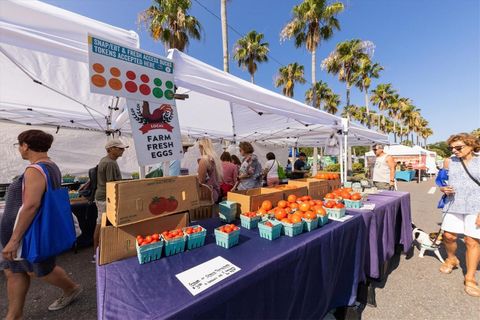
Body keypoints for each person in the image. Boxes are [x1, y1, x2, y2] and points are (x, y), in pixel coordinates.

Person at [1, 130, 82, 318]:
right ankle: (13, 315)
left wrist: (14, 240)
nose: (19, 149)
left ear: (26, 146)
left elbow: (31, 205)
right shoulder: (50, 166)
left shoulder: (35, 169)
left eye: (18, 145)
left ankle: (71, 289)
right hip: (28, 231)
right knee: (15, 270)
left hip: (28, 232)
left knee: (40, 269)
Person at [438, 133, 480, 297]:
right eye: (452, 148)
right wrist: (443, 188)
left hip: (476, 207)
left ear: (471, 145)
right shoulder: (449, 161)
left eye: (458, 147)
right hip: (453, 204)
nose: (454, 150)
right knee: (448, 236)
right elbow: (441, 180)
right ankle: (452, 258)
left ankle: (470, 278)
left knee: (471, 241)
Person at [93, 138, 128, 261]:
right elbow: (112, 184)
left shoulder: (106, 160)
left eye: (122, 148)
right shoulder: (110, 163)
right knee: (102, 224)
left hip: (102, 196)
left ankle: (97, 252)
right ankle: (98, 253)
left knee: (101, 223)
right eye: (120, 148)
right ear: (111, 149)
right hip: (106, 198)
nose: (122, 150)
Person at [197, 138, 223, 202]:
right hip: (214, 192)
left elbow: (201, 182)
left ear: (202, 147)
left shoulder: (204, 160)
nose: (199, 150)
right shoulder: (214, 158)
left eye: (199, 148)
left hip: (207, 194)